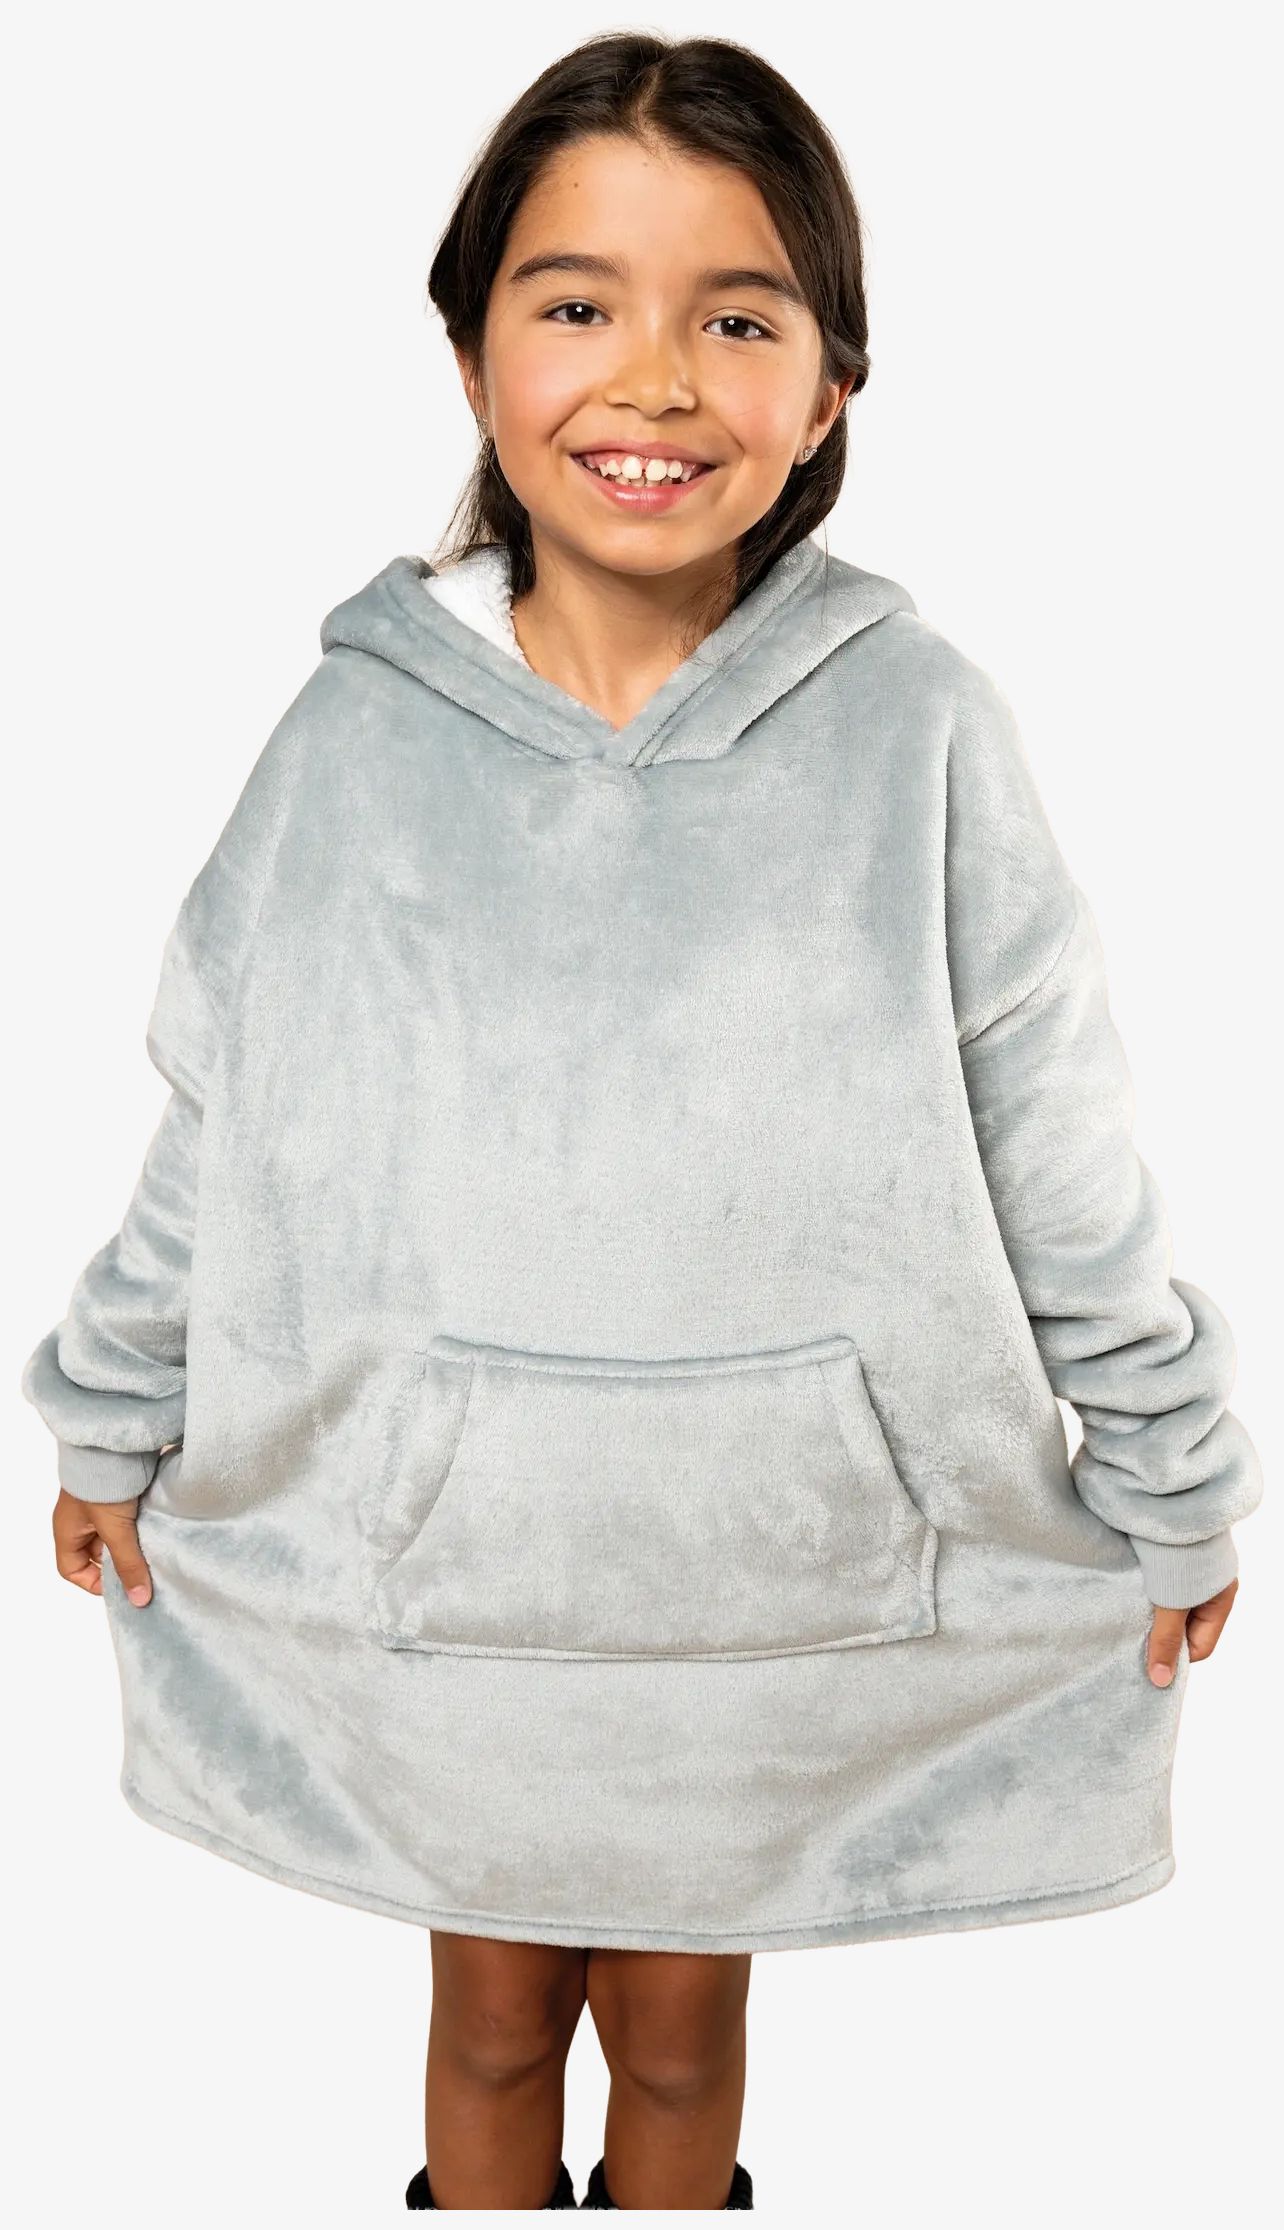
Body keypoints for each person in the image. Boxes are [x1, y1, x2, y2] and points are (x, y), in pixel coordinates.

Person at [21, 29, 1263, 2216]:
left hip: (762, 1603)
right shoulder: (349, 742)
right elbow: (227, 1116)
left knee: (682, 2039)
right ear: (473, 351)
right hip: (453, 1596)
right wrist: (113, 1410)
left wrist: (1171, 1468)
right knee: (491, 2021)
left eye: (740, 318)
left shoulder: (922, 734)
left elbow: (1055, 1149)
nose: (657, 379)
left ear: (834, 388)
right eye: (580, 301)